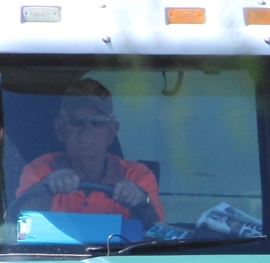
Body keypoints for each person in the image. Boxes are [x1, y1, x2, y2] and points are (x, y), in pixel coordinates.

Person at [13, 80, 164, 221]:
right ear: (60, 129)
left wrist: (141, 202)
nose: (86, 131)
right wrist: (46, 188)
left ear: (112, 132)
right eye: (76, 120)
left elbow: (157, 234)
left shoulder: (137, 176)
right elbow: (20, 225)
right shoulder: (39, 171)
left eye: (98, 121)